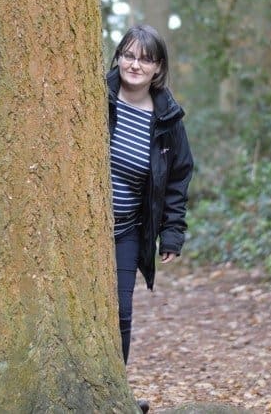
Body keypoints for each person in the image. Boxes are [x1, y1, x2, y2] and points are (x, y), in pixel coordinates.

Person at [106, 24, 194, 379]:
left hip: (127, 230)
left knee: (121, 312)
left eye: (145, 59)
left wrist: (171, 234)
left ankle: (112, 389)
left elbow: (177, 179)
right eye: (128, 55)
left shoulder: (168, 119)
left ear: (158, 67)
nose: (135, 65)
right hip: (78, 229)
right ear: (118, 57)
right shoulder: (97, 96)